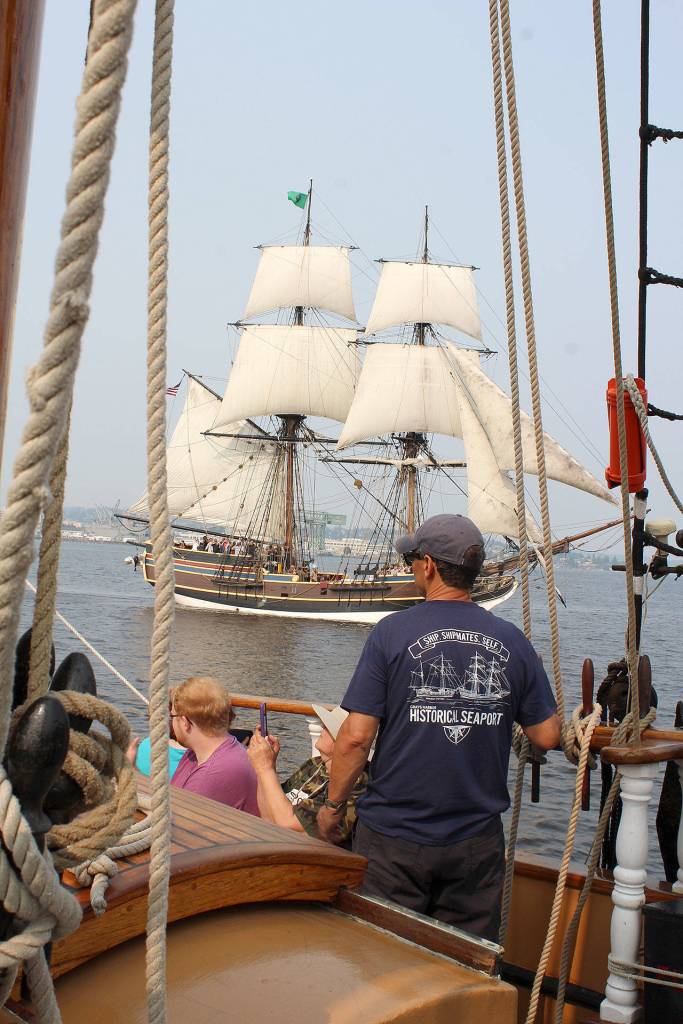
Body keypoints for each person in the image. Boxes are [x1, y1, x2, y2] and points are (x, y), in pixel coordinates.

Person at [317, 513, 560, 940]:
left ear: (428, 566)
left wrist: (333, 808)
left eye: (412, 559)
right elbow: (547, 736)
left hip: (395, 840)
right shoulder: (513, 641)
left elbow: (355, 738)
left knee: (382, 959)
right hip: (475, 844)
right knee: (464, 968)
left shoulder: (391, 633)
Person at [247, 705, 367, 845]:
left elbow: (288, 826)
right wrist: (268, 765)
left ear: (346, 743)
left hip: (312, 860)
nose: (322, 726)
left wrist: (264, 768)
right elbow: (268, 814)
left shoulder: (356, 782)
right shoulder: (315, 764)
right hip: (279, 846)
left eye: (329, 727)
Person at [170, 676, 260, 815]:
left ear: (184, 722)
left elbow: (176, 823)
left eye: (173, 717)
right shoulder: (194, 754)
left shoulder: (212, 774)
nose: (172, 723)